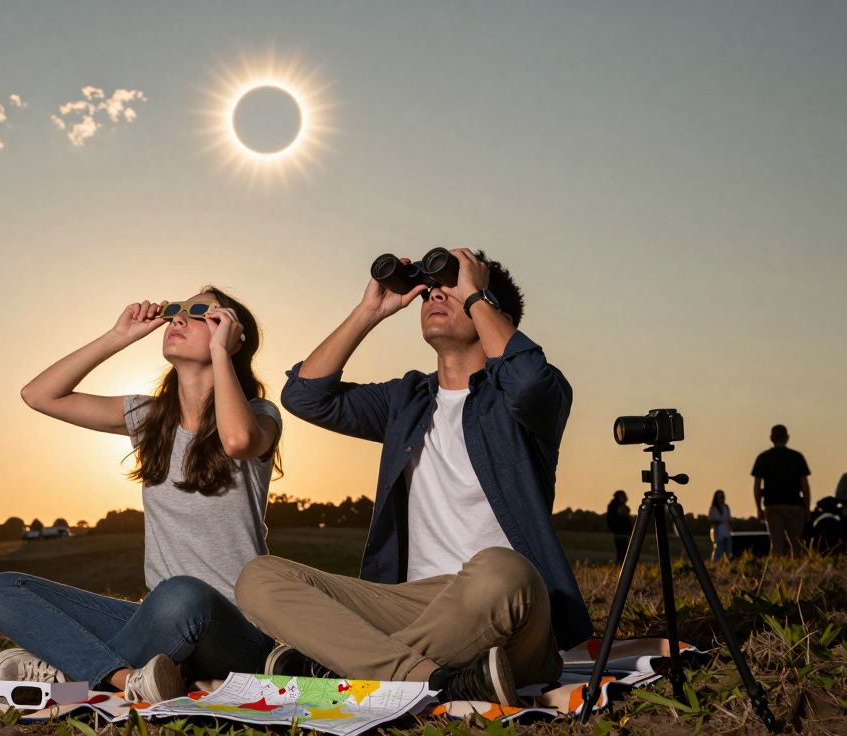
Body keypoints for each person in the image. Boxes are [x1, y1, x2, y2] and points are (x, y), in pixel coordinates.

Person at [235, 248, 591, 708]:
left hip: (506, 603)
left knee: (500, 568)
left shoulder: (526, 400)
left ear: (490, 312)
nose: (437, 294)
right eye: (430, 290)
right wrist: (370, 311)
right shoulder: (407, 400)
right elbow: (305, 396)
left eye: (452, 287)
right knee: (259, 578)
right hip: (414, 602)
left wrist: (477, 294)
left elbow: (529, 383)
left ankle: (343, 669)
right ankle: (438, 681)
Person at [0, 287, 281, 702]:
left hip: (234, 630)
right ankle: (124, 679)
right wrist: (118, 336)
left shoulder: (259, 414)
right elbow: (39, 395)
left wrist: (221, 355)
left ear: (231, 332)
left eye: (198, 312)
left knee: (181, 593)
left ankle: (67, 678)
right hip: (160, 622)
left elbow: (236, 440)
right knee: (5, 588)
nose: (177, 318)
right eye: (175, 310)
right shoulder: (148, 417)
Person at [751, 425, 811, 556]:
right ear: (787, 438)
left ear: (771, 438)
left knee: (776, 544)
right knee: (797, 544)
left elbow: (756, 486)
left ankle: (776, 573)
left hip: (772, 504)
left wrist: (758, 507)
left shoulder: (763, 457)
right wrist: (807, 507)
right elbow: (805, 486)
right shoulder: (797, 457)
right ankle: (798, 572)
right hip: (794, 504)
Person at [606, 490, 632, 562]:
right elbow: (622, 519)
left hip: (620, 533)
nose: (625, 498)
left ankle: (620, 565)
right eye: (623, 496)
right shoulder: (616, 506)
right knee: (622, 552)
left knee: (622, 552)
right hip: (621, 533)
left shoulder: (613, 506)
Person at [708, 490, 732, 562]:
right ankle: (715, 563)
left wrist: (730, 524)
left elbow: (729, 519)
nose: (721, 498)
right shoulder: (713, 508)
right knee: (718, 550)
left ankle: (726, 564)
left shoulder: (726, 507)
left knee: (728, 550)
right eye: (719, 497)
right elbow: (711, 520)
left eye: (722, 496)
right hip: (718, 532)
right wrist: (721, 522)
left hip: (727, 532)